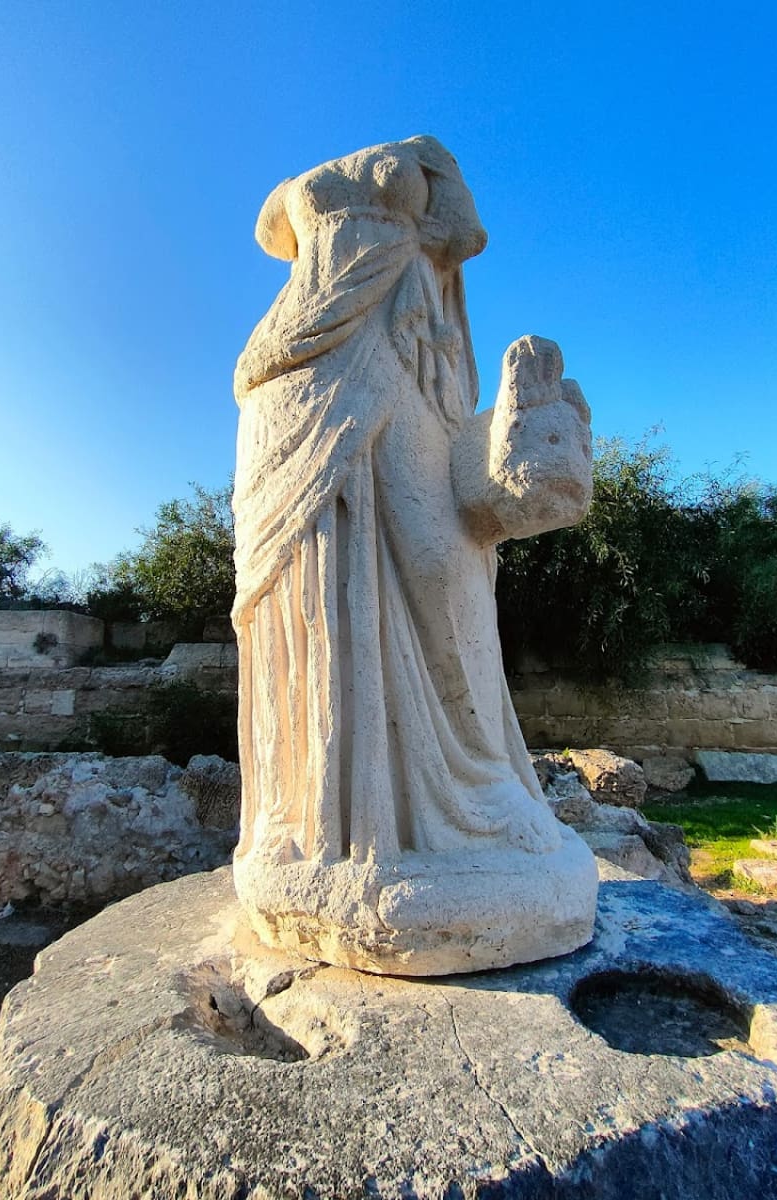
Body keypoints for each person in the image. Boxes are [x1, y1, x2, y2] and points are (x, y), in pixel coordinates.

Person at [232, 136, 565, 875]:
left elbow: (463, 234)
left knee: (440, 563)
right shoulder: (294, 186)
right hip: (291, 366)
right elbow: (268, 234)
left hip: (394, 335)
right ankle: (320, 810)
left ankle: (477, 785)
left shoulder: (425, 152)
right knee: (304, 592)